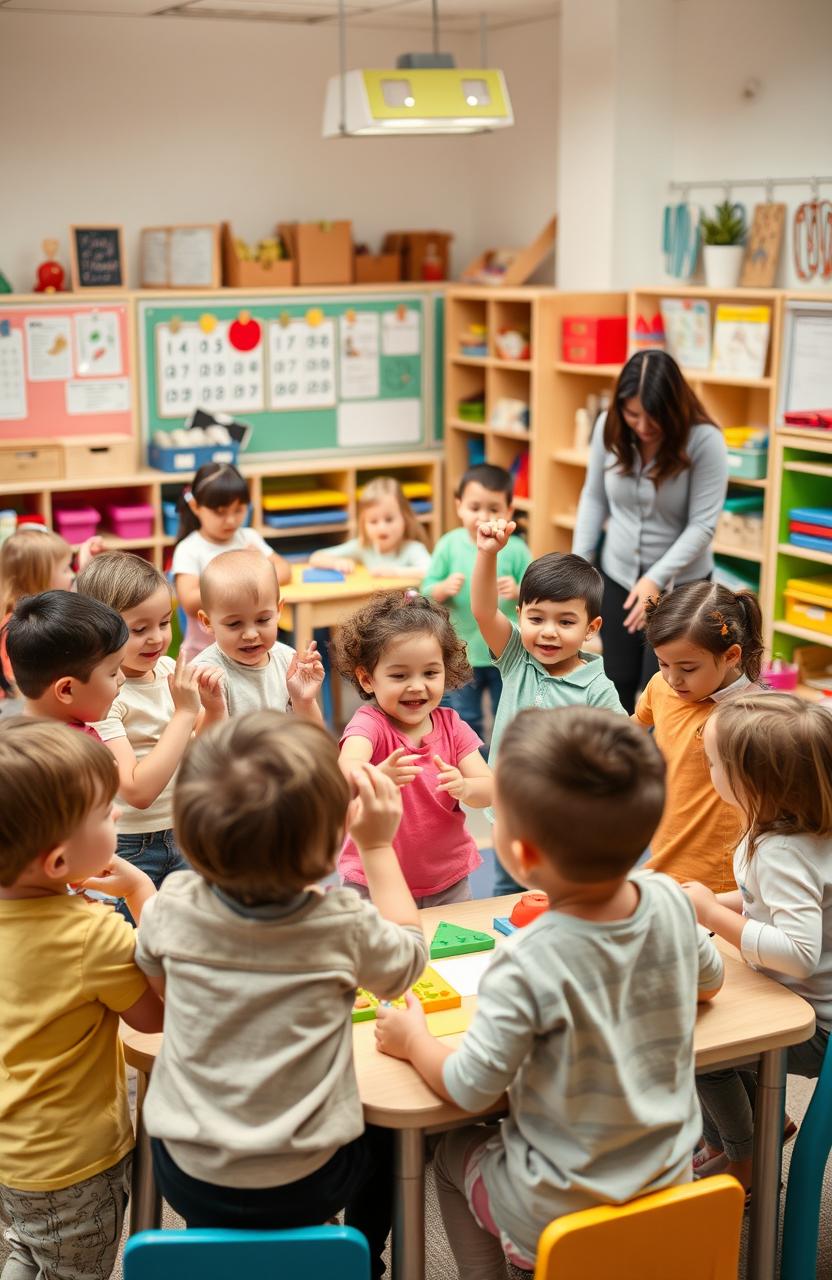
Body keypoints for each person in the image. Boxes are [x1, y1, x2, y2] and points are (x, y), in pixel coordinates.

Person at [374, 706, 724, 1280]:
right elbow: (708, 983)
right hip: (668, 1189)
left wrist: (414, 1040)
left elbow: (468, 1086)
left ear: (524, 854)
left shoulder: (526, 958)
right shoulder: (667, 898)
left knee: (450, 1151)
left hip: (557, 1213)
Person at [133, 713, 427, 1280]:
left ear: (190, 834)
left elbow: (161, 991)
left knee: (216, 1204)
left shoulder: (171, 902)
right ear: (329, 845)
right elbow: (408, 963)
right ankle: (361, 1255)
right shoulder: (341, 921)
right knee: (392, 1127)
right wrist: (378, 848)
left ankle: (209, 1256)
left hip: (189, 1172)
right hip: (309, 1179)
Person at [0, 718, 163, 1280]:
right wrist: (142, 893)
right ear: (59, 863)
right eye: (104, 811)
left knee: (26, 1245)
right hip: (78, 1161)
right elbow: (157, 1016)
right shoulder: (94, 935)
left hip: (12, 1149)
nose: (117, 814)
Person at [684, 693, 832, 1196]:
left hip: (814, 1026)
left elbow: (798, 951)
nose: (707, 768)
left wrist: (707, 913)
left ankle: (746, 1159)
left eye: (713, 763)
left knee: (695, 1047)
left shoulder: (785, 853)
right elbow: (759, 901)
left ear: (754, 780)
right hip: (795, 998)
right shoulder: (784, 829)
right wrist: (704, 902)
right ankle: (747, 1134)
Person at [572, 350, 728, 713]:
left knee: (668, 688)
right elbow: (594, 497)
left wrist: (655, 578)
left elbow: (703, 525)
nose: (642, 426)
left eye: (653, 416)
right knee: (616, 678)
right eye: (632, 414)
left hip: (681, 586)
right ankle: (617, 762)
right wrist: (578, 566)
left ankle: (665, 766)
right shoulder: (608, 427)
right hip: (619, 575)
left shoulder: (705, 440)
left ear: (674, 408)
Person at [471, 523, 624, 893]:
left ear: (591, 628)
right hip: (509, 816)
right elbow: (482, 610)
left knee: (560, 899)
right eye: (536, 619)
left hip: (564, 827)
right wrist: (488, 553)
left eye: (566, 621)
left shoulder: (598, 690)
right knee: (506, 897)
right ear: (520, 614)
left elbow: (622, 757)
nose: (549, 632)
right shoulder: (516, 657)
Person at [76, 552, 227, 911]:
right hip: (131, 845)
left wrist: (214, 708)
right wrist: (186, 713)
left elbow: (200, 753)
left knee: (190, 930)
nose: (157, 638)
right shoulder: (105, 695)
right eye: (139, 630)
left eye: (164, 622)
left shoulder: (169, 670)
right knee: (136, 946)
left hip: (184, 829)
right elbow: (137, 791)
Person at [331, 589, 492, 906]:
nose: (417, 686)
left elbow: (490, 787)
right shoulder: (370, 724)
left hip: (447, 881)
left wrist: (465, 787)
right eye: (399, 675)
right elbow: (346, 769)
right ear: (367, 679)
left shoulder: (451, 725)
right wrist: (377, 775)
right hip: (372, 881)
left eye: (430, 673)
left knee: (453, 955)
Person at [636, 580, 766, 891]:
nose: (673, 678)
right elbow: (635, 725)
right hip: (665, 855)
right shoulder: (661, 686)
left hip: (720, 878)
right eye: (663, 662)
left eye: (688, 668)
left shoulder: (752, 713)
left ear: (732, 656)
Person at [423, 464, 531, 743]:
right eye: (474, 507)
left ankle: (503, 766)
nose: (483, 516)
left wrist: (519, 589)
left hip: (504, 653)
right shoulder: (448, 544)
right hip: (461, 651)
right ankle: (468, 763)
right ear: (459, 507)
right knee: (464, 716)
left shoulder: (516, 548)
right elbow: (424, 591)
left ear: (509, 511)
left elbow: (536, 593)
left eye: (494, 509)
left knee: (507, 715)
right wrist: (442, 589)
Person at [172, 462, 291, 662]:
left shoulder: (249, 538)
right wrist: (235, 583)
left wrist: (256, 570)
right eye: (220, 512)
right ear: (195, 506)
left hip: (251, 650)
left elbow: (284, 570)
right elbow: (190, 601)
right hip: (205, 655)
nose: (230, 520)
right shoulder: (189, 549)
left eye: (238, 510)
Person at [193, 549, 324, 719]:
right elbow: (203, 743)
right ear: (207, 622)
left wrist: (304, 701)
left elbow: (314, 737)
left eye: (262, 620)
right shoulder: (205, 675)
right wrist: (214, 711)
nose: (250, 635)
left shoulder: (287, 661)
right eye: (234, 624)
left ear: (278, 611)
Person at [4, 589, 127, 736]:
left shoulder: (13, 739)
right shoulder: (79, 750)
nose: (122, 678)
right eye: (113, 673)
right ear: (66, 690)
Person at [0, 526, 102, 704]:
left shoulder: (42, 610)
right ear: (38, 580)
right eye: (65, 569)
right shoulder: (17, 628)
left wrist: (85, 563)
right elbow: (19, 687)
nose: (72, 575)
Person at [310, 476, 430, 577]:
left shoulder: (413, 549)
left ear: (405, 518)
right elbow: (316, 557)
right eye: (373, 521)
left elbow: (429, 571)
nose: (382, 528)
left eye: (389, 520)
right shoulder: (363, 547)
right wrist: (337, 563)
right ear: (363, 524)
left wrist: (394, 572)